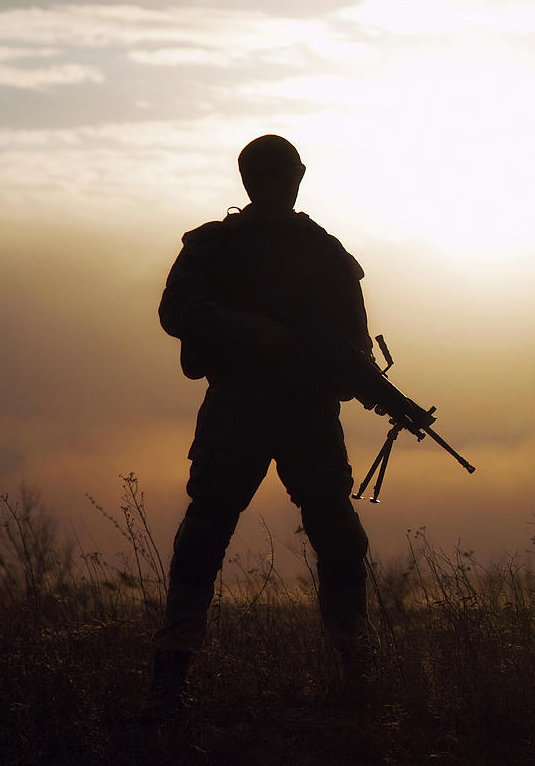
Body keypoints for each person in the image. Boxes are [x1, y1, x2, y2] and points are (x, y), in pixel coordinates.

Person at [142, 134, 377, 724]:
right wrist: (256, 332)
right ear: (257, 180)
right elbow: (177, 310)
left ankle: (354, 667)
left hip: (306, 412)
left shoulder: (324, 254)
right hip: (240, 408)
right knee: (206, 531)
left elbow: (352, 343)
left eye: (287, 174)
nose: (284, 185)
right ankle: (171, 671)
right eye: (275, 175)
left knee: (340, 536)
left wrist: (362, 382)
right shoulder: (216, 247)